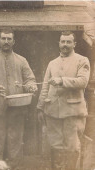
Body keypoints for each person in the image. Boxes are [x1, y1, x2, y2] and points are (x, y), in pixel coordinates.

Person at [0, 29, 37, 170]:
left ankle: (14, 168)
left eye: (9, 39)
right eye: (3, 38)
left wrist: (31, 87)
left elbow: (30, 79)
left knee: (15, 142)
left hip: (17, 109)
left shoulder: (21, 60)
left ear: (13, 42)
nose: (6, 42)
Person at [37, 31, 90, 170]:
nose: (65, 45)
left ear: (74, 44)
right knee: (55, 147)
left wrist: (61, 81)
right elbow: (45, 86)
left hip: (73, 113)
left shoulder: (82, 60)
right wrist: (40, 107)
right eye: (63, 42)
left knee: (72, 148)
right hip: (53, 112)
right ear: (59, 43)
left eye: (68, 42)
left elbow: (83, 82)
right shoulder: (52, 63)